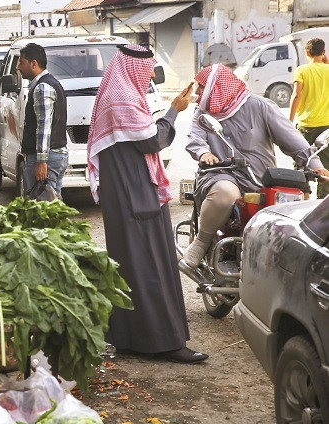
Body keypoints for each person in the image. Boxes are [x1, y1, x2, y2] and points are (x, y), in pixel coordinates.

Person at [88, 43, 205, 363]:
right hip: (136, 195)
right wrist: (174, 110)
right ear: (132, 70)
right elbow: (154, 139)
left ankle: (128, 339)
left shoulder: (116, 96)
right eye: (146, 72)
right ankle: (166, 343)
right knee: (152, 266)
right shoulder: (123, 99)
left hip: (124, 195)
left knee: (128, 267)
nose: (147, 79)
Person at [182, 63, 329, 269]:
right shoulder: (203, 113)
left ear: (217, 86)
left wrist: (315, 165)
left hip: (259, 178)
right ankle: (202, 241)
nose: (197, 92)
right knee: (225, 192)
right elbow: (194, 138)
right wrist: (204, 152)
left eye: (201, 86)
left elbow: (293, 141)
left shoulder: (260, 106)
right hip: (220, 174)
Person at [16, 43, 68, 200]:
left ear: (33, 64)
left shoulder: (43, 87)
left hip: (47, 159)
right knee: (52, 207)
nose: (18, 67)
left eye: (21, 62)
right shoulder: (49, 83)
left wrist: (41, 161)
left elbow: (43, 127)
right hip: (54, 156)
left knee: (43, 211)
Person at [289, 37, 329, 198]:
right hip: (327, 127)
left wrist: (289, 121)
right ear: (323, 52)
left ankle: (303, 196)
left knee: (301, 161)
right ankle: (323, 200)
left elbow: (296, 95)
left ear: (307, 52)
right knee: (326, 164)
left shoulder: (302, 70)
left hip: (306, 125)